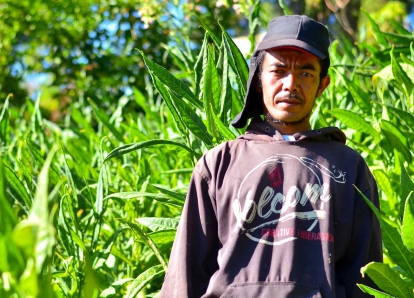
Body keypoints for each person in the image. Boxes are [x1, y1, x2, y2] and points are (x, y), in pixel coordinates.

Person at [160, 15, 382, 297]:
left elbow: (365, 277)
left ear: (322, 85)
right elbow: (185, 276)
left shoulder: (349, 167)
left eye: (305, 73)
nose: (291, 84)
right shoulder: (219, 164)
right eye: (278, 71)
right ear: (258, 80)